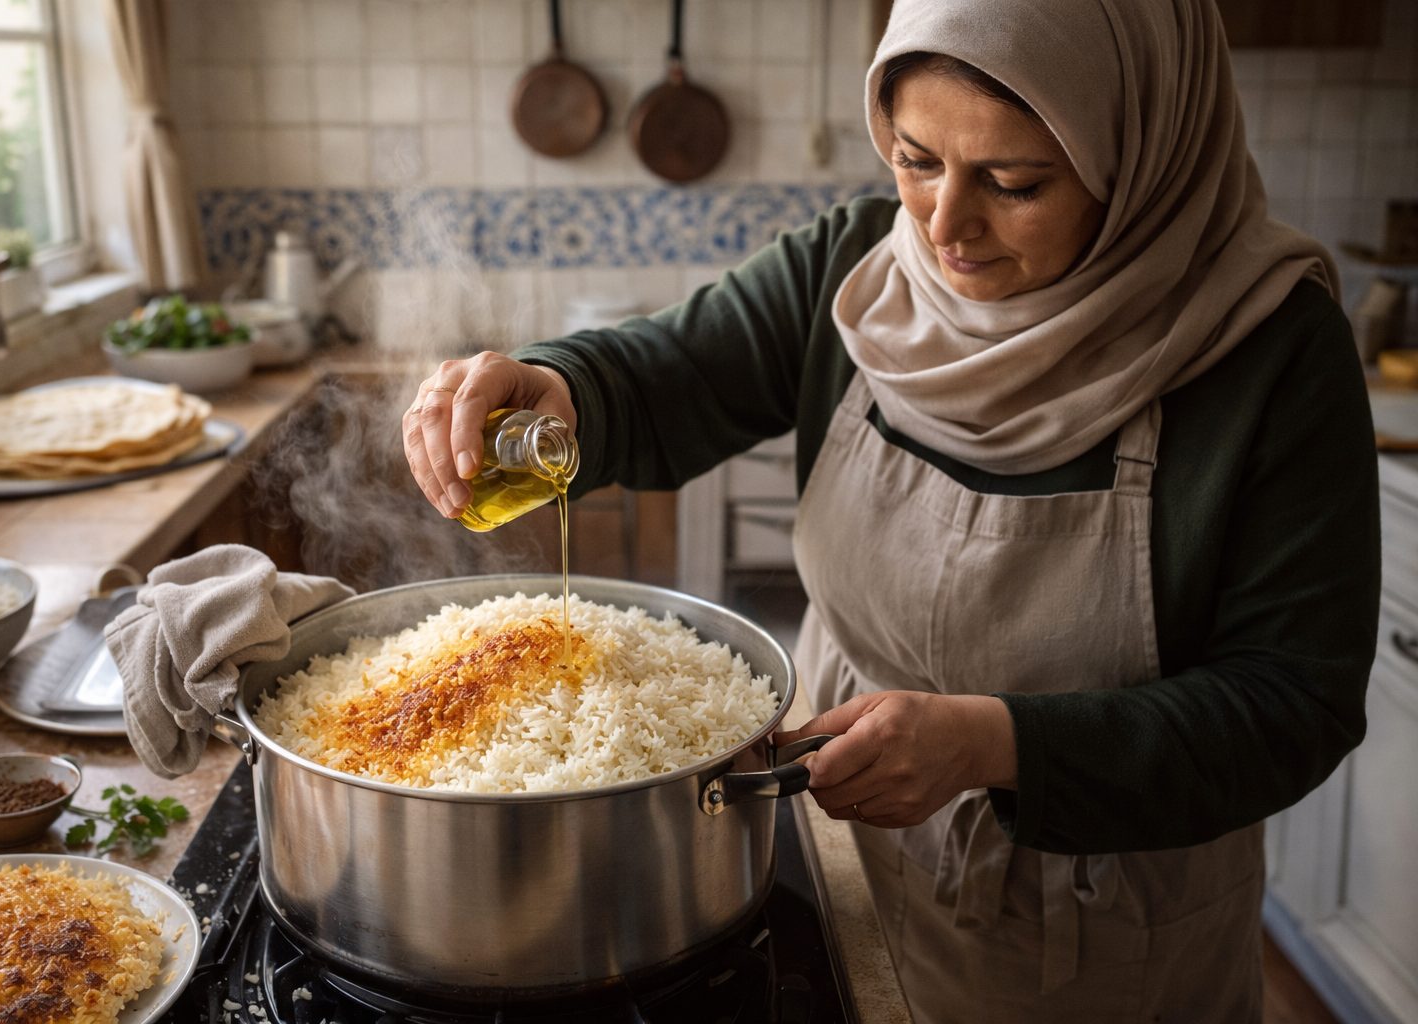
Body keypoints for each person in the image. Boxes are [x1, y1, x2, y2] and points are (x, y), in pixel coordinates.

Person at [402, 0, 1379, 1018]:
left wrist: (996, 743)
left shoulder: (1269, 352)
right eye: (915, 160)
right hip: (844, 862)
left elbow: (1293, 706)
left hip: (1101, 938)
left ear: (1140, 157)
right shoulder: (862, 269)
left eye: (1014, 182)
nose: (945, 225)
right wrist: (557, 385)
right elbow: (666, 375)